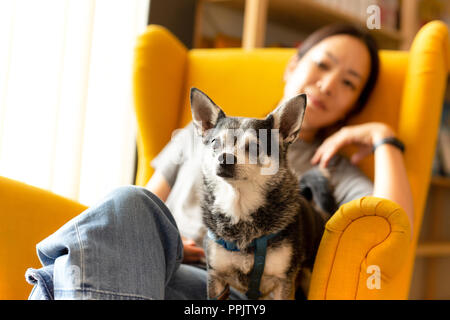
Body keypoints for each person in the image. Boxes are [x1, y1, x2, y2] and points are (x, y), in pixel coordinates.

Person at [25, 23, 414, 300]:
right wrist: (170, 242)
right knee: (127, 201)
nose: (328, 85)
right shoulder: (200, 134)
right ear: (292, 65)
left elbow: (393, 225)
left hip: (231, 289)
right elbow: (143, 208)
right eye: (323, 65)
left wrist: (383, 138)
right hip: (156, 261)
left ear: (355, 104)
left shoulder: (328, 166)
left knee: (61, 276)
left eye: (349, 82)